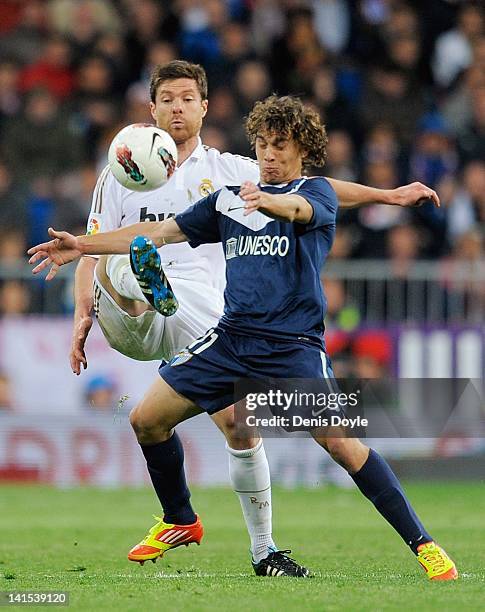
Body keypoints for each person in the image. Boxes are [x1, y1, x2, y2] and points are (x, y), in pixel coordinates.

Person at [28, 94, 457, 581]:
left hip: (292, 348)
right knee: (146, 420)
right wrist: (80, 245)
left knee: (342, 446)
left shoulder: (316, 193)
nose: (269, 154)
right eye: (261, 145)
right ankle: (181, 518)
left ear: (302, 148)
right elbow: (162, 231)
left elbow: (297, 208)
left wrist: (277, 200)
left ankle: (424, 545)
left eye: (279, 145)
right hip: (230, 341)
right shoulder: (229, 198)